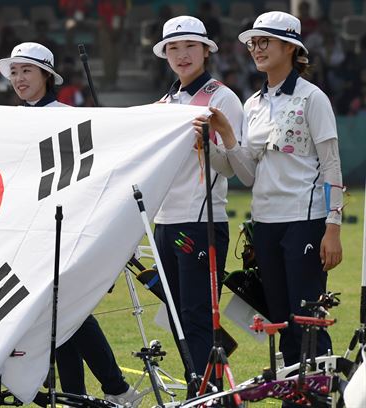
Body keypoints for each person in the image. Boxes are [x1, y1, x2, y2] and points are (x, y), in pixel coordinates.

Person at [0, 41, 139, 407]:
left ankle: (109, 389)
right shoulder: (11, 121)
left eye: (26, 71)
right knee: (55, 318)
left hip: (63, 234)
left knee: (68, 313)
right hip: (20, 236)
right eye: (14, 72)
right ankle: (84, 394)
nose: (18, 79)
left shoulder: (70, 117)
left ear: (47, 76)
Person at [193, 11, 343, 372]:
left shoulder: (312, 98)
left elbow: (332, 166)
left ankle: (317, 393)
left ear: (290, 47)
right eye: (252, 43)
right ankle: (295, 394)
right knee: (279, 319)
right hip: (265, 224)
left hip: (304, 222)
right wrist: (218, 142)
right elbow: (245, 174)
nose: (256, 49)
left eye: (265, 41)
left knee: (307, 318)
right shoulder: (253, 104)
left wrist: (333, 227)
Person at [151, 15, 245, 388]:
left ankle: (208, 392)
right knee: (175, 315)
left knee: (198, 315)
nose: (182, 54)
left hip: (201, 219)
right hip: (164, 222)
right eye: (173, 48)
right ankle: (199, 384)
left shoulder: (222, 98)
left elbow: (232, 165)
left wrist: (206, 144)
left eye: (190, 46)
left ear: (206, 50)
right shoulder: (163, 103)